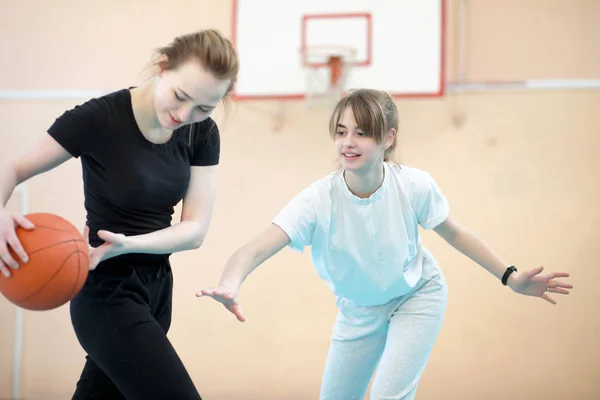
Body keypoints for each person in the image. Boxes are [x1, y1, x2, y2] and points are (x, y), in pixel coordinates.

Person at [197, 89, 573, 400]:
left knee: (388, 397)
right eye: (341, 131)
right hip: (358, 309)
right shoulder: (316, 200)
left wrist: (510, 276)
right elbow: (255, 248)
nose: (348, 142)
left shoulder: (413, 185)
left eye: (361, 133)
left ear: (388, 138)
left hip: (416, 295)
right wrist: (231, 281)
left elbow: (456, 233)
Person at [0, 29, 238, 399]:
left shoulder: (201, 133)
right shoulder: (99, 118)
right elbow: (12, 168)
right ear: (162, 68)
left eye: (204, 108)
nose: (184, 114)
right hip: (106, 288)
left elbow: (194, 231)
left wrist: (130, 243)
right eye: (180, 96)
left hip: (157, 289)